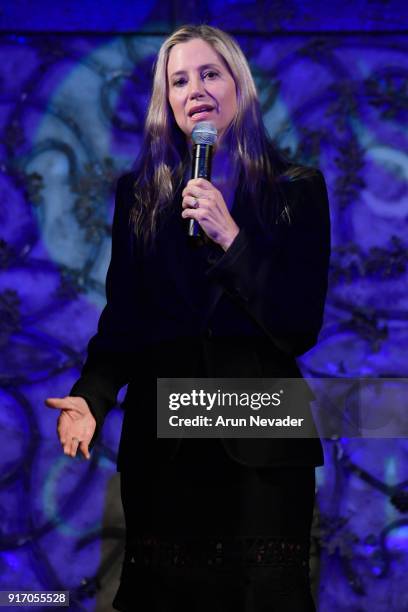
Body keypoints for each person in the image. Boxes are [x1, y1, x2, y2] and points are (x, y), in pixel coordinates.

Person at [46, 24, 330, 611]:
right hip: (165, 446)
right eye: (178, 80)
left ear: (238, 88)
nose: (194, 88)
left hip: (264, 438)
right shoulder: (141, 194)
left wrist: (233, 239)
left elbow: (299, 323)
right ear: (167, 102)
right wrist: (92, 396)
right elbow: (125, 319)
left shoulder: (296, 190)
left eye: (209, 73)